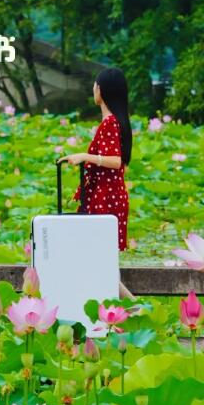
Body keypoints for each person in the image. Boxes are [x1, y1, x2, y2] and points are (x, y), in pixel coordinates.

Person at [62, 67, 136, 299]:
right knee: (100, 260)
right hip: (108, 196)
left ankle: (137, 308)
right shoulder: (116, 122)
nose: (93, 89)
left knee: (96, 260)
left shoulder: (110, 123)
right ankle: (131, 310)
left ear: (102, 91)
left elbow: (116, 161)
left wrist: (84, 157)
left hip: (106, 198)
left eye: (95, 85)